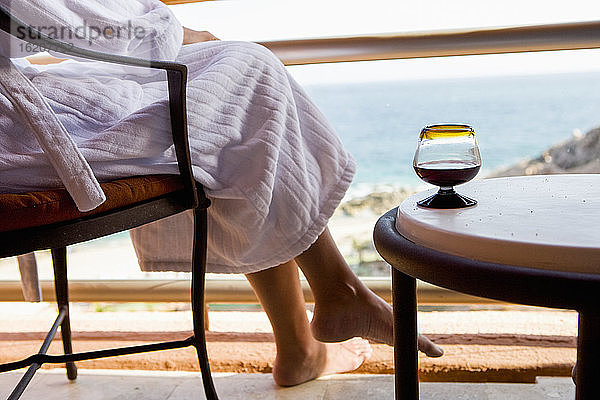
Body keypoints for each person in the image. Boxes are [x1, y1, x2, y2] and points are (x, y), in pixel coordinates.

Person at [0, 0, 442, 387]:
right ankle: (324, 312)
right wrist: (173, 31)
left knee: (229, 109)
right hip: (12, 141)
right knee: (246, 73)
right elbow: (63, 15)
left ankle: (315, 326)